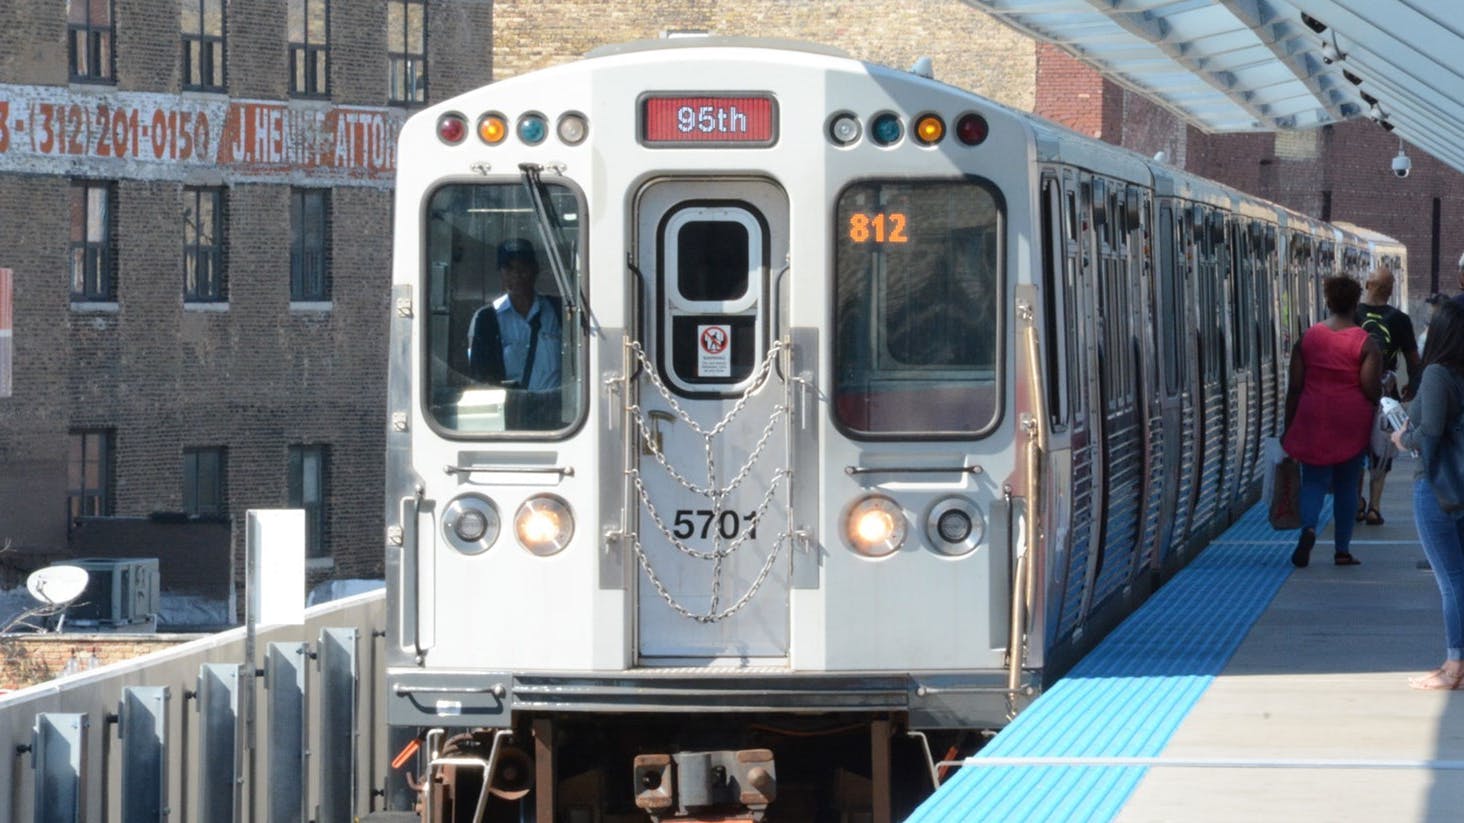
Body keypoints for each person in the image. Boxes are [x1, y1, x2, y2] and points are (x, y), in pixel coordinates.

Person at [1283, 275, 1383, 568]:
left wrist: (1288, 427)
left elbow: (1295, 387)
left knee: (1313, 481)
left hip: (1313, 416)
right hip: (1351, 421)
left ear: (1327, 301)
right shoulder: (1365, 343)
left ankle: (1308, 529)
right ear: (1355, 303)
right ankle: (1342, 550)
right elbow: (1370, 389)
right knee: (1347, 485)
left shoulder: (1308, 338)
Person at [1392, 299, 1464, 690]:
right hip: (1458, 484)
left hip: (1438, 486)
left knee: (1451, 580)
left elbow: (1430, 433)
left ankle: (1455, 666)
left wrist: (1404, 439)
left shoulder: (1438, 374)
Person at [466, 238, 563, 428]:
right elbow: (480, 376)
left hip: (557, 414)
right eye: (509, 269)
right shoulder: (486, 319)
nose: (516, 275)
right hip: (509, 415)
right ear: (500, 273)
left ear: (535, 270)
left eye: (523, 268)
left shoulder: (558, 311)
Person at [1354, 266, 1421, 525]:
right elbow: (1413, 360)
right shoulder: (1400, 319)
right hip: (1387, 395)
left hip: (1355, 391)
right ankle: (1374, 506)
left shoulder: (1353, 314)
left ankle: (1356, 502)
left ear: (1367, 285)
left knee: (1356, 448)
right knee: (1382, 451)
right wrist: (1412, 386)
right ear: (1391, 290)